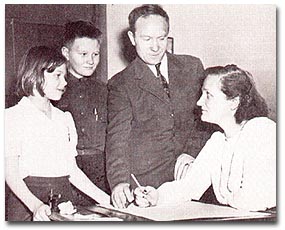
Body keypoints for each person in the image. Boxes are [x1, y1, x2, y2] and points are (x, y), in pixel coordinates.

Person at [106, 4, 213, 209]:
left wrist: (192, 151)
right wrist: (119, 182)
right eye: (146, 39)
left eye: (161, 38)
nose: (155, 47)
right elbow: (117, 139)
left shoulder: (192, 67)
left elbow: (205, 121)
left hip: (193, 177)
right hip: (148, 185)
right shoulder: (121, 83)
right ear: (132, 38)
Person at [134, 64, 276, 212]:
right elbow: (189, 186)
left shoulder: (261, 130)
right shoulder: (218, 140)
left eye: (208, 95)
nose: (199, 102)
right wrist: (156, 196)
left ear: (234, 102)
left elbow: (254, 200)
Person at [5, 46, 110, 221]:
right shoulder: (12, 117)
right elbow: (11, 173)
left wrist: (105, 199)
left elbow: (71, 170)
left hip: (63, 200)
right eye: (57, 76)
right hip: (27, 203)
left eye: (65, 76)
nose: (64, 83)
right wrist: (35, 205)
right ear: (36, 74)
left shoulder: (64, 119)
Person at [53, 20, 110, 196]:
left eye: (95, 54)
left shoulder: (105, 90)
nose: (91, 61)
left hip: (101, 172)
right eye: (83, 54)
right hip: (65, 171)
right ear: (66, 53)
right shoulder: (53, 89)